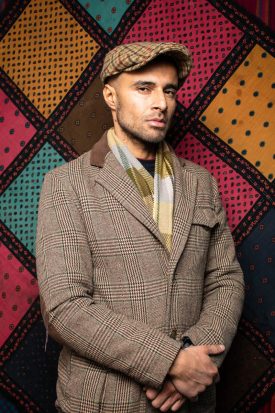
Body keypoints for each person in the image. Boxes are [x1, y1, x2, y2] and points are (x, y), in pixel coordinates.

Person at [36, 42, 244, 413]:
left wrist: (197, 362)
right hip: (104, 403)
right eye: (144, 88)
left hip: (191, 402)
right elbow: (63, 308)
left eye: (169, 90)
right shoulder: (65, 184)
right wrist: (171, 361)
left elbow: (224, 280)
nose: (161, 102)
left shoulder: (201, 184)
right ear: (111, 97)